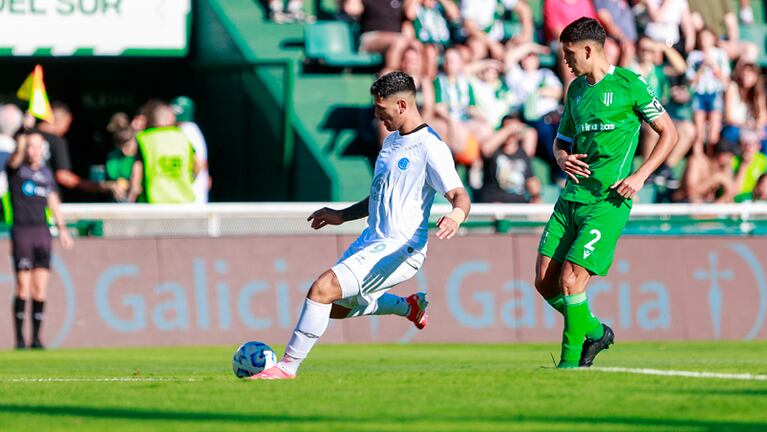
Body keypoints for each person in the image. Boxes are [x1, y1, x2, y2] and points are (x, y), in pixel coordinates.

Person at [250, 71, 471, 380]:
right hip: (373, 240)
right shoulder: (392, 142)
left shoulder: (430, 147)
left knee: (321, 290)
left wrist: (456, 215)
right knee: (335, 307)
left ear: (403, 105)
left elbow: (459, 194)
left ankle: (286, 368)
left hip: (401, 246)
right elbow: (380, 195)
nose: (378, 117)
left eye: (383, 111)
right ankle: (408, 308)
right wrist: (342, 215)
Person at [535, 18, 677, 368]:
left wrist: (641, 175)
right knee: (544, 283)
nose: (565, 61)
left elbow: (669, 133)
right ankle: (596, 332)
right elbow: (562, 142)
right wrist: (561, 157)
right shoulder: (575, 91)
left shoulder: (630, 85)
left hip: (607, 201)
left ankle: (568, 369)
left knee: (571, 280)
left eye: (569, 54)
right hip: (571, 200)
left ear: (588, 49)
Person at [7, 130, 73, 349]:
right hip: (23, 231)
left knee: (40, 288)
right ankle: (19, 339)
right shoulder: (16, 169)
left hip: (42, 233)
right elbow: (16, 157)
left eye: (38, 147)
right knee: (23, 287)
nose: (34, 151)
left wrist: (61, 228)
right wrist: (26, 131)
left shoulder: (46, 173)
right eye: (31, 146)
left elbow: (53, 200)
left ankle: (36, 338)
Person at [37, 102, 118, 200]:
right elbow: (63, 176)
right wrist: (98, 187)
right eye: (66, 124)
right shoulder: (57, 141)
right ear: (55, 118)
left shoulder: (25, 135)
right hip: (47, 199)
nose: (66, 129)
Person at [128, 101, 198, 204]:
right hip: (183, 203)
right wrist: (186, 181)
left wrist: (129, 201)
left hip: (154, 204)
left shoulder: (144, 139)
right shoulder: (183, 137)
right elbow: (198, 166)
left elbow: (136, 180)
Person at [477, 113, 541, 203]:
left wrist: (535, 193)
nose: (510, 133)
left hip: (518, 204)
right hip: (495, 202)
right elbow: (485, 149)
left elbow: (531, 133)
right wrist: (508, 130)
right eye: (506, 128)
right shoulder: (494, 151)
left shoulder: (523, 154)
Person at [171, 96, 212, 204]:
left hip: (191, 196)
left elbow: (198, 163)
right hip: (194, 194)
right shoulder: (191, 129)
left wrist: (185, 183)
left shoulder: (186, 131)